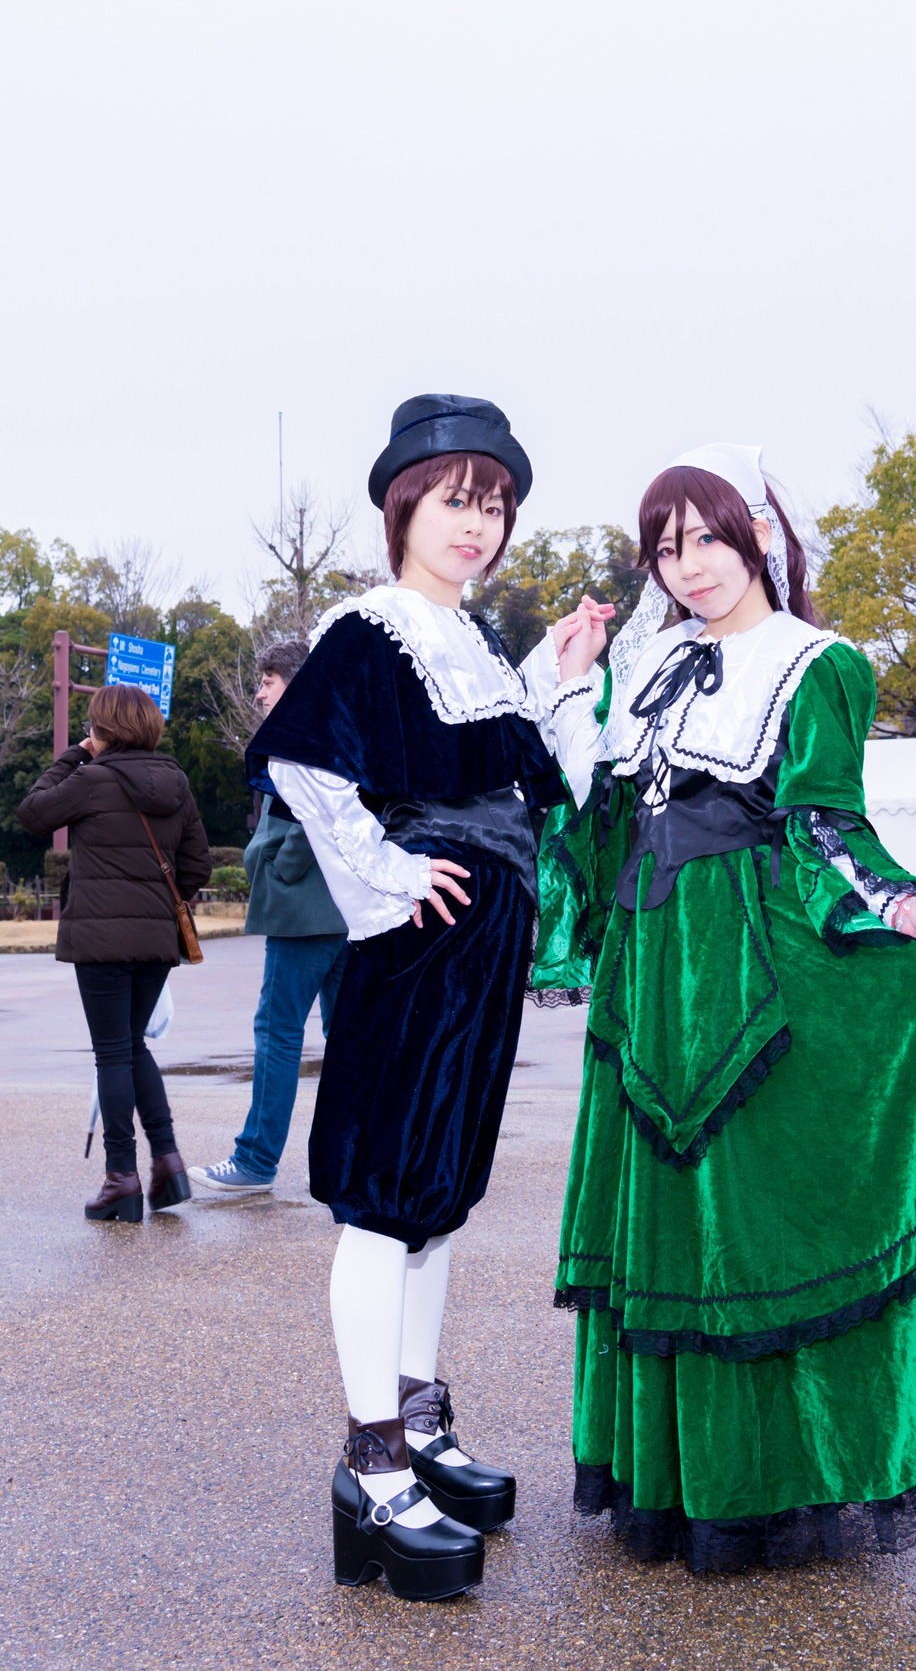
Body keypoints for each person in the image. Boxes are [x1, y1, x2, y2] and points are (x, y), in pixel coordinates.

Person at [523, 443, 916, 1573]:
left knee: (761, 1204)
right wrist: (563, 681)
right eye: (666, 547)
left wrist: (906, 910)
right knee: (670, 1208)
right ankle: (675, 1480)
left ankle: (786, 1475)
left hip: (749, 949)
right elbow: (593, 800)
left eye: (706, 536)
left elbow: (827, 823)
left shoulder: (817, 664)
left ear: (756, 536)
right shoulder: (649, 664)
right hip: (650, 959)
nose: (688, 565)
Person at [245, 394, 579, 1602]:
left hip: (481, 958)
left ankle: (421, 1418)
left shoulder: (477, 644)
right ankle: (371, 1463)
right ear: (402, 506)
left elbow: (519, 778)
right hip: (416, 954)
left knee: (439, 1199)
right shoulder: (371, 630)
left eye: (492, 507)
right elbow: (299, 759)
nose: (475, 527)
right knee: (383, 1204)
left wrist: (556, 677)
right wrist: (389, 876)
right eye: (453, 501)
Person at [18, 683, 212, 1223]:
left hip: (100, 942)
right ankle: (168, 1163)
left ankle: (121, 1179)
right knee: (131, 1046)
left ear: (103, 731)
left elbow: (33, 812)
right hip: (155, 941)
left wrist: (77, 753)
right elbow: (197, 868)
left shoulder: (89, 779)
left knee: (112, 1052)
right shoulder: (176, 781)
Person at [190, 641, 349, 1195]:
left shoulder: (304, 736)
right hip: (345, 910)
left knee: (277, 1033)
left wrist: (279, 861)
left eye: (269, 680)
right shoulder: (338, 728)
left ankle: (255, 1161)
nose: (259, 691)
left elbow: (321, 811)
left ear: (296, 683)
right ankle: (354, 1160)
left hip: (304, 909)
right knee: (348, 1038)